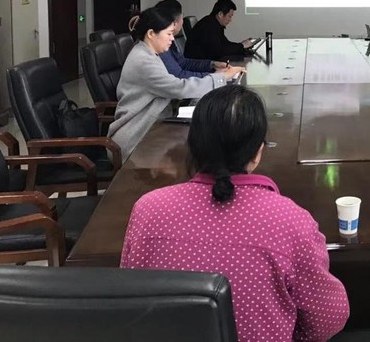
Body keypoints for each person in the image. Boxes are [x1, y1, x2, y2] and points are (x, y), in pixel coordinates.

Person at [121, 85, 350, 342]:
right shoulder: (290, 220)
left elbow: (130, 299)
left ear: (192, 145)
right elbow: (327, 320)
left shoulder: (147, 209)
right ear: (258, 152)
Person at [108, 7, 244, 159]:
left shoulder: (148, 53)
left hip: (153, 128)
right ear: (151, 34)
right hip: (136, 138)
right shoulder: (143, 60)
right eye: (169, 34)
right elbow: (179, 88)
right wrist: (221, 77)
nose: (172, 39)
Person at [155, 0, 231, 79]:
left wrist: (212, 64)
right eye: (182, 17)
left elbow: (184, 63)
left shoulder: (168, 40)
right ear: (174, 22)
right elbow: (178, 76)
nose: (172, 38)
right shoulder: (160, 44)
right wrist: (215, 76)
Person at [185, 0, 255, 60]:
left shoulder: (214, 23)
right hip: (198, 65)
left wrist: (241, 46)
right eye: (229, 16)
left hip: (205, 62)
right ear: (220, 14)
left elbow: (225, 44)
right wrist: (242, 46)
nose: (230, 20)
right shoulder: (209, 26)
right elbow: (218, 51)